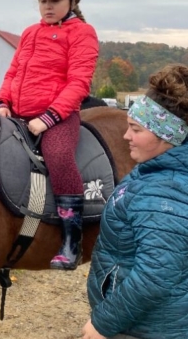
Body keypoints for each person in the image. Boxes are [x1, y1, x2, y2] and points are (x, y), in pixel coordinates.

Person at [0, 0, 99, 270]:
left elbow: (78, 83)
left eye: (54, 0)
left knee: (59, 156)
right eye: (43, 1)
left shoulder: (83, 33)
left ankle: (71, 240)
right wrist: (2, 102)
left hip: (58, 118)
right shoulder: (29, 33)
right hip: (17, 114)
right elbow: (14, 72)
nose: (47, 7)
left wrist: (49, 118)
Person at [83, 63, 188, 339]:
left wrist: (101, 324)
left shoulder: (165, 191)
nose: (126, 136)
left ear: (167, 135)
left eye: (136, 129)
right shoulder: (156, 169)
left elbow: (154, 276)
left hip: (145, 328)